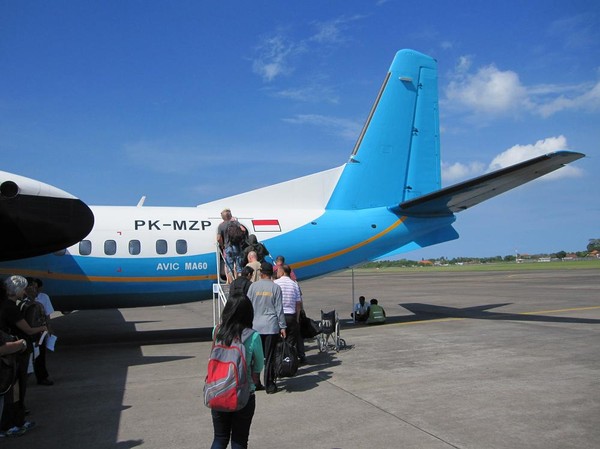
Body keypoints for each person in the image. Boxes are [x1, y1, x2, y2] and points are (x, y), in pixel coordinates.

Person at [210, 293, 264, 449]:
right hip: (243, 394)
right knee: (239, 440)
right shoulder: (253, 336)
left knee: (219, 438)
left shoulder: (217, 331)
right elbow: (259, 365)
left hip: (218, 390)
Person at [0, 275, 47, 437]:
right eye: (24, 288)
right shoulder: (10, 307)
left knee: (15, 388)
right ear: (18, 289)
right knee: (15, 389)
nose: (26, 291)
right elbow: (27, 329)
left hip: (13, 352)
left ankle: (15, 421)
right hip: (15, 353)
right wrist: (42, 328)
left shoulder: (8, 305)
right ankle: (11, 423)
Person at [246, 262, 286, 394]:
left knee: (254, 356)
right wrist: (283, 326)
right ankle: (269, 384)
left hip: (255, 326)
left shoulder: (253, 287)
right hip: (270, 326)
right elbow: (279, 309)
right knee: (269, 357)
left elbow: (248, 306)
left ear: (261, 273)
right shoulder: (275, 288)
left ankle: (254, 382)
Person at [25, 278, 54, 386]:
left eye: (35, 287)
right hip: (27, 332)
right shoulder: (22, 301)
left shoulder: (43, 298)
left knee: (40, 356)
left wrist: (48, 327)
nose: (34, 290)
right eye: (31, 287)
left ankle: (42, 377)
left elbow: (47, 315)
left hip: (39, 333)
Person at [274, 264, 305, 363]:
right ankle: (290, 362)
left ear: (282, 272)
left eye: (278, 271)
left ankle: (280, 362)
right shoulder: (294, 284)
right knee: (291, 343)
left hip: (279, 316)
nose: (277, 272)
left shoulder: (276, 283)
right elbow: (298, 303)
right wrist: (297, 318)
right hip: (291, 316)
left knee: (279, 342)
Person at [217, 208, 247, 282]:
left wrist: (222, 245)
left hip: (227, 247)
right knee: (239, 266)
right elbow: (243, 229)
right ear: (230, 216)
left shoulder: (221, 226)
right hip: (237, 247)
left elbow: (218, 238)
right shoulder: (235, 223)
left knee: (229, 266)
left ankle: (231, 283)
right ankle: (239, 281)